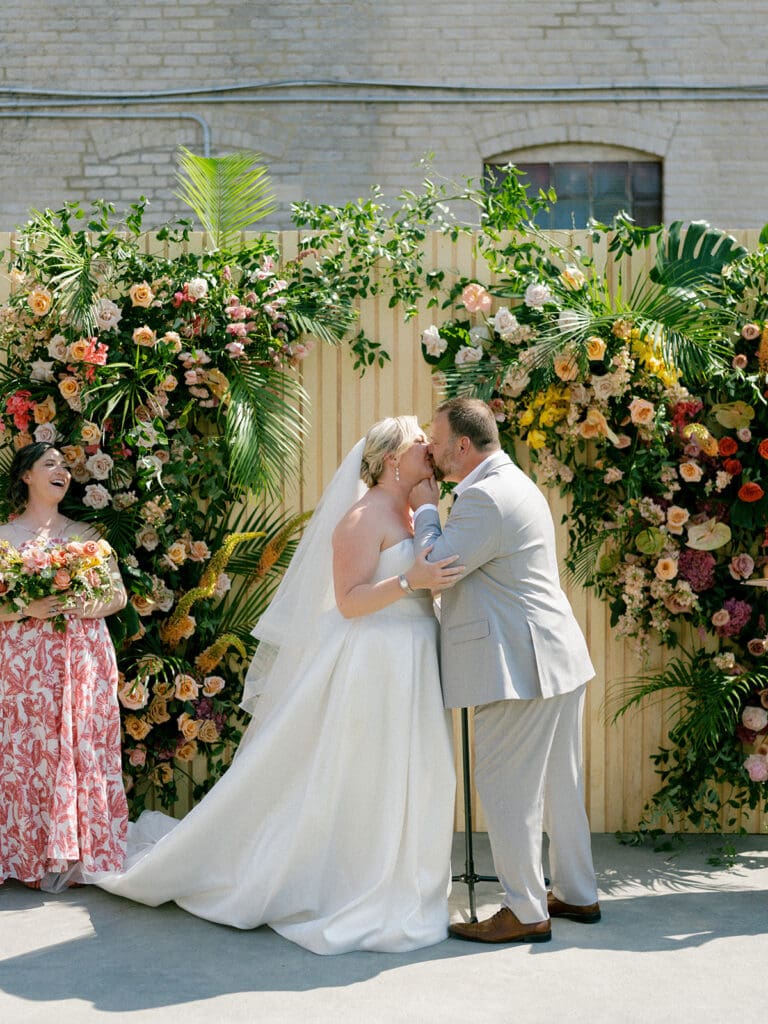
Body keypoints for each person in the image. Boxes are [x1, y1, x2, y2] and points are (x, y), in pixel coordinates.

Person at [90, 416, 462, 955]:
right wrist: (410, 580)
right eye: (419, 442)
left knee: (414, 769)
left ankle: (403, 877)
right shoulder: (360, 517)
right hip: (375, 663)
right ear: (390, 459)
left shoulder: (412, 510)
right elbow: (351, 600)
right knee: (367, 773)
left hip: (412, 660)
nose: (430, 447)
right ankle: (353, 881)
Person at [410, 397, 600, 944]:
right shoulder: (511, 480)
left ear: (462, 447)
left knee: (506, 787)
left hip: (519, 666)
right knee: (560, 785)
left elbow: (437, 566)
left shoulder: (484, 497)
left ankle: (524, 910)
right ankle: (578, 895)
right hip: (555, 656)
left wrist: (425, 507)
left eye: (436, 439)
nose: (429, 448)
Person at [0, 442, 128, 891]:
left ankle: (77, 852)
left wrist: (80, 603)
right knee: (26, 753)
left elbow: (117, 597)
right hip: (21, 667)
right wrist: (24, 608)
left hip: (80, 659)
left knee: (79, 749)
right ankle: (22, 854)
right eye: (49, 464)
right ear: (26, 476)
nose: (62, 471)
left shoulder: (87, 536)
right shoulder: (5, 536)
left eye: (65, 466)